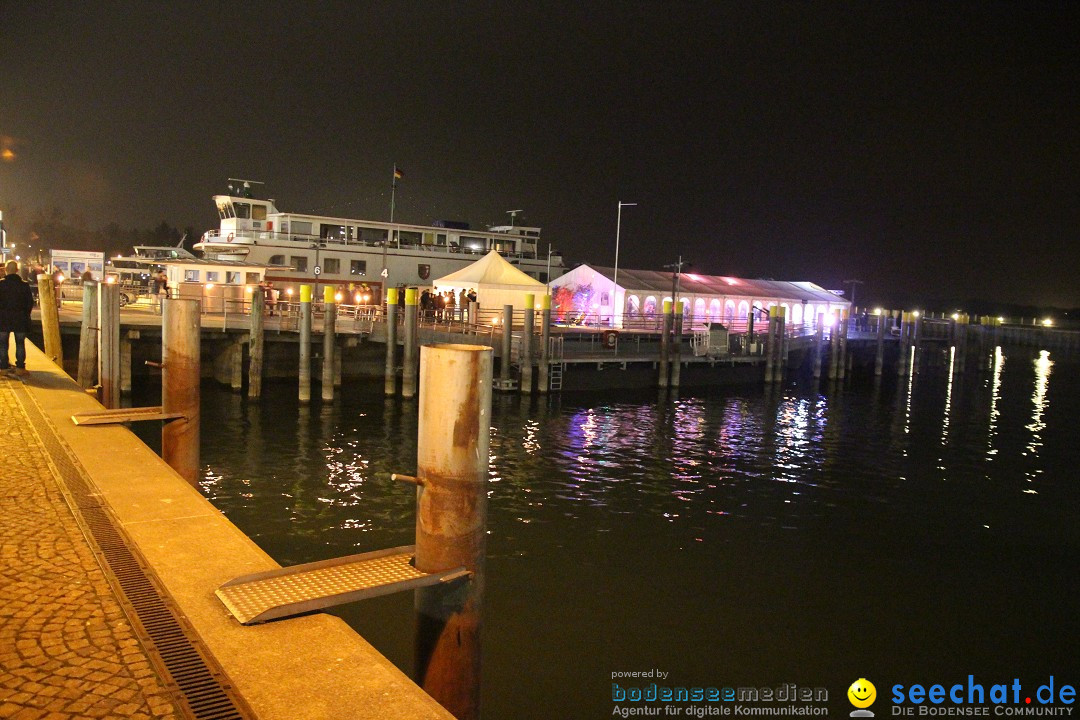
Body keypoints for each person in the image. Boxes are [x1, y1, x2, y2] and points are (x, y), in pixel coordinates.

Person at [0, 260, 34, 376]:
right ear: (17, 270)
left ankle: (3, 368)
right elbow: (29, 302)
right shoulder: (24, 285)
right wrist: (26, 314)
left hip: (3, 319)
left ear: (5, 270)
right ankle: (20, 367)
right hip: (20, 319)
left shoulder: (1, 284)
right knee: (20, 343)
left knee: (3, 344)